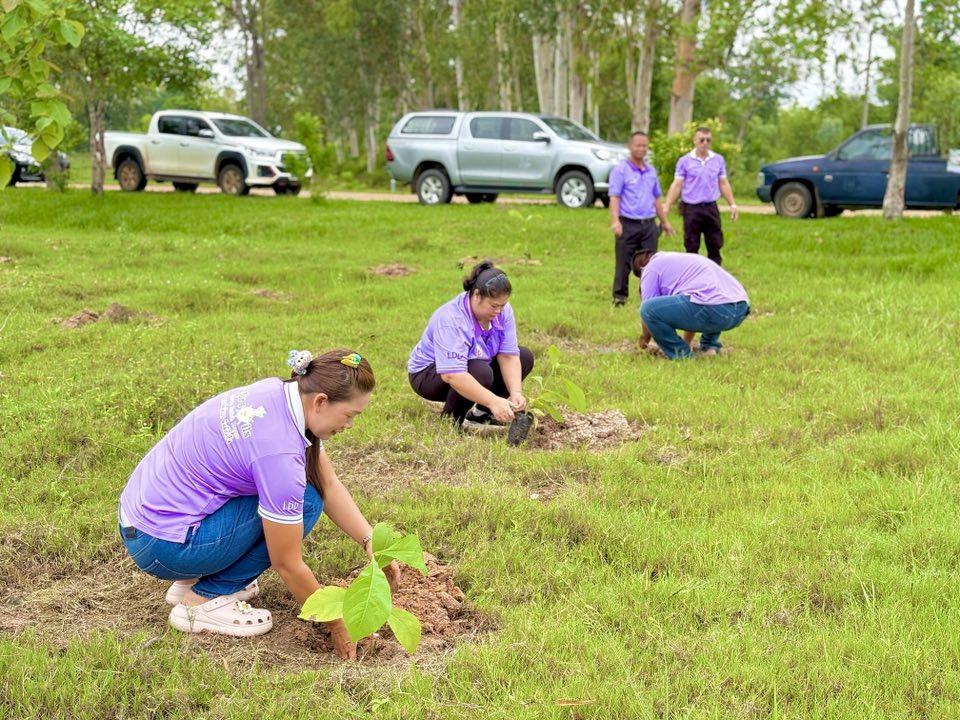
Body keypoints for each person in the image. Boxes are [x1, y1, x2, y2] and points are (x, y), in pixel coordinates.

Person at [118, 349, 396, 660]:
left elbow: (328, 482)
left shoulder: (278, 394)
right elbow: (287, 563)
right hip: (163, 545)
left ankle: (194, 579)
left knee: (307, 490)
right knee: (306, 501)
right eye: (350, 415)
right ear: (321, 401)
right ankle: (204, 599)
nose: (351, 425)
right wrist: (337, 623)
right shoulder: (279, 455)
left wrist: (369, 539)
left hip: (143, 520)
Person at [408, 260, 534, 429]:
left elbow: (508, 356)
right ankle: (451, 422)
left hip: (473, 364)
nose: (498, 311)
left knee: (524, 356)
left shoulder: (502, 311)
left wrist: (515, 392)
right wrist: (494, 401)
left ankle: (481, 415)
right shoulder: (451, 319)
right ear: (476, 295)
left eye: (502, 306)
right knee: (480, 372)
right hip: (428, 374)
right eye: (494, 306)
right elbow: (452, 375)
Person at [633, 250, 749, 360]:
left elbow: (647, 313)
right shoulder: (680, 262)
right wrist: (686, 342)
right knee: (709, 297)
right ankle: (709, 347)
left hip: (713, 307)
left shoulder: (650, 267)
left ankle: (681, 354)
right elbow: (690, 311)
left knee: (647, 309)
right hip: (740, 309)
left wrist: (644, 341)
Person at [608, 131, 674, 307]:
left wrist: (665, 222)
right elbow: (615, 197)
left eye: (644, 146)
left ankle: (648, 298)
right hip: (628, 223)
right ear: (630, 147)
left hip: (648, 225)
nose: (641, 149)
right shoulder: (620, 170)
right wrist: (615, 221)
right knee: (623, 263)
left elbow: (657, 198)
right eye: (638, 145)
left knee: (650, 264)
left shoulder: (651, 171)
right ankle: (619, 298)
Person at [662, 126, 739, 266]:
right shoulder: (685, 161)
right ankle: (693, 274)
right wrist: (667, 206)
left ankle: (714, 273)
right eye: (702, 140)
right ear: (695, 140)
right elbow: (677, 184)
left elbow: (723, 183)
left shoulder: (718, 160)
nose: (705, 143)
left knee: (715, 243)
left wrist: (732, 204)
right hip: (692, 208)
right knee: (691, 245)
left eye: (708, 140)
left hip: (710, 207)